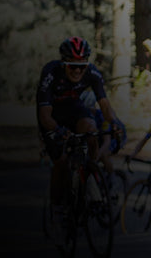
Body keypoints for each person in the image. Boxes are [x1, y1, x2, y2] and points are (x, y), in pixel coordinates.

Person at [37, 37, 121, 232]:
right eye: (72, 66)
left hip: (73, 108)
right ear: (64, 63)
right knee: (61, 162)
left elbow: (105, 107)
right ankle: (57, 210)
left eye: (81, 67)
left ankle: (89, 175)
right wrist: (57, 130)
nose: (77, 71)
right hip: (52, 113)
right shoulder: (51, 72)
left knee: (91, 128)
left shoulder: (92, 73)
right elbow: (44, 115)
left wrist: (115, 123)